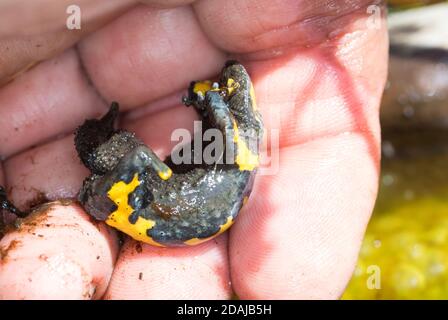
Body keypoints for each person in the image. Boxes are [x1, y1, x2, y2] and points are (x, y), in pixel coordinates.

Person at [0, 0, 388, 299]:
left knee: (130, 158)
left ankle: (101, 184)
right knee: (133, 159)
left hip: (158, 213)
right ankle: (103, 181)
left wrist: (211, 99)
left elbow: (158, 153)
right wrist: (209, 100)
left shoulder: (236, 144)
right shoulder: (239, 147)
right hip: (164, 213)